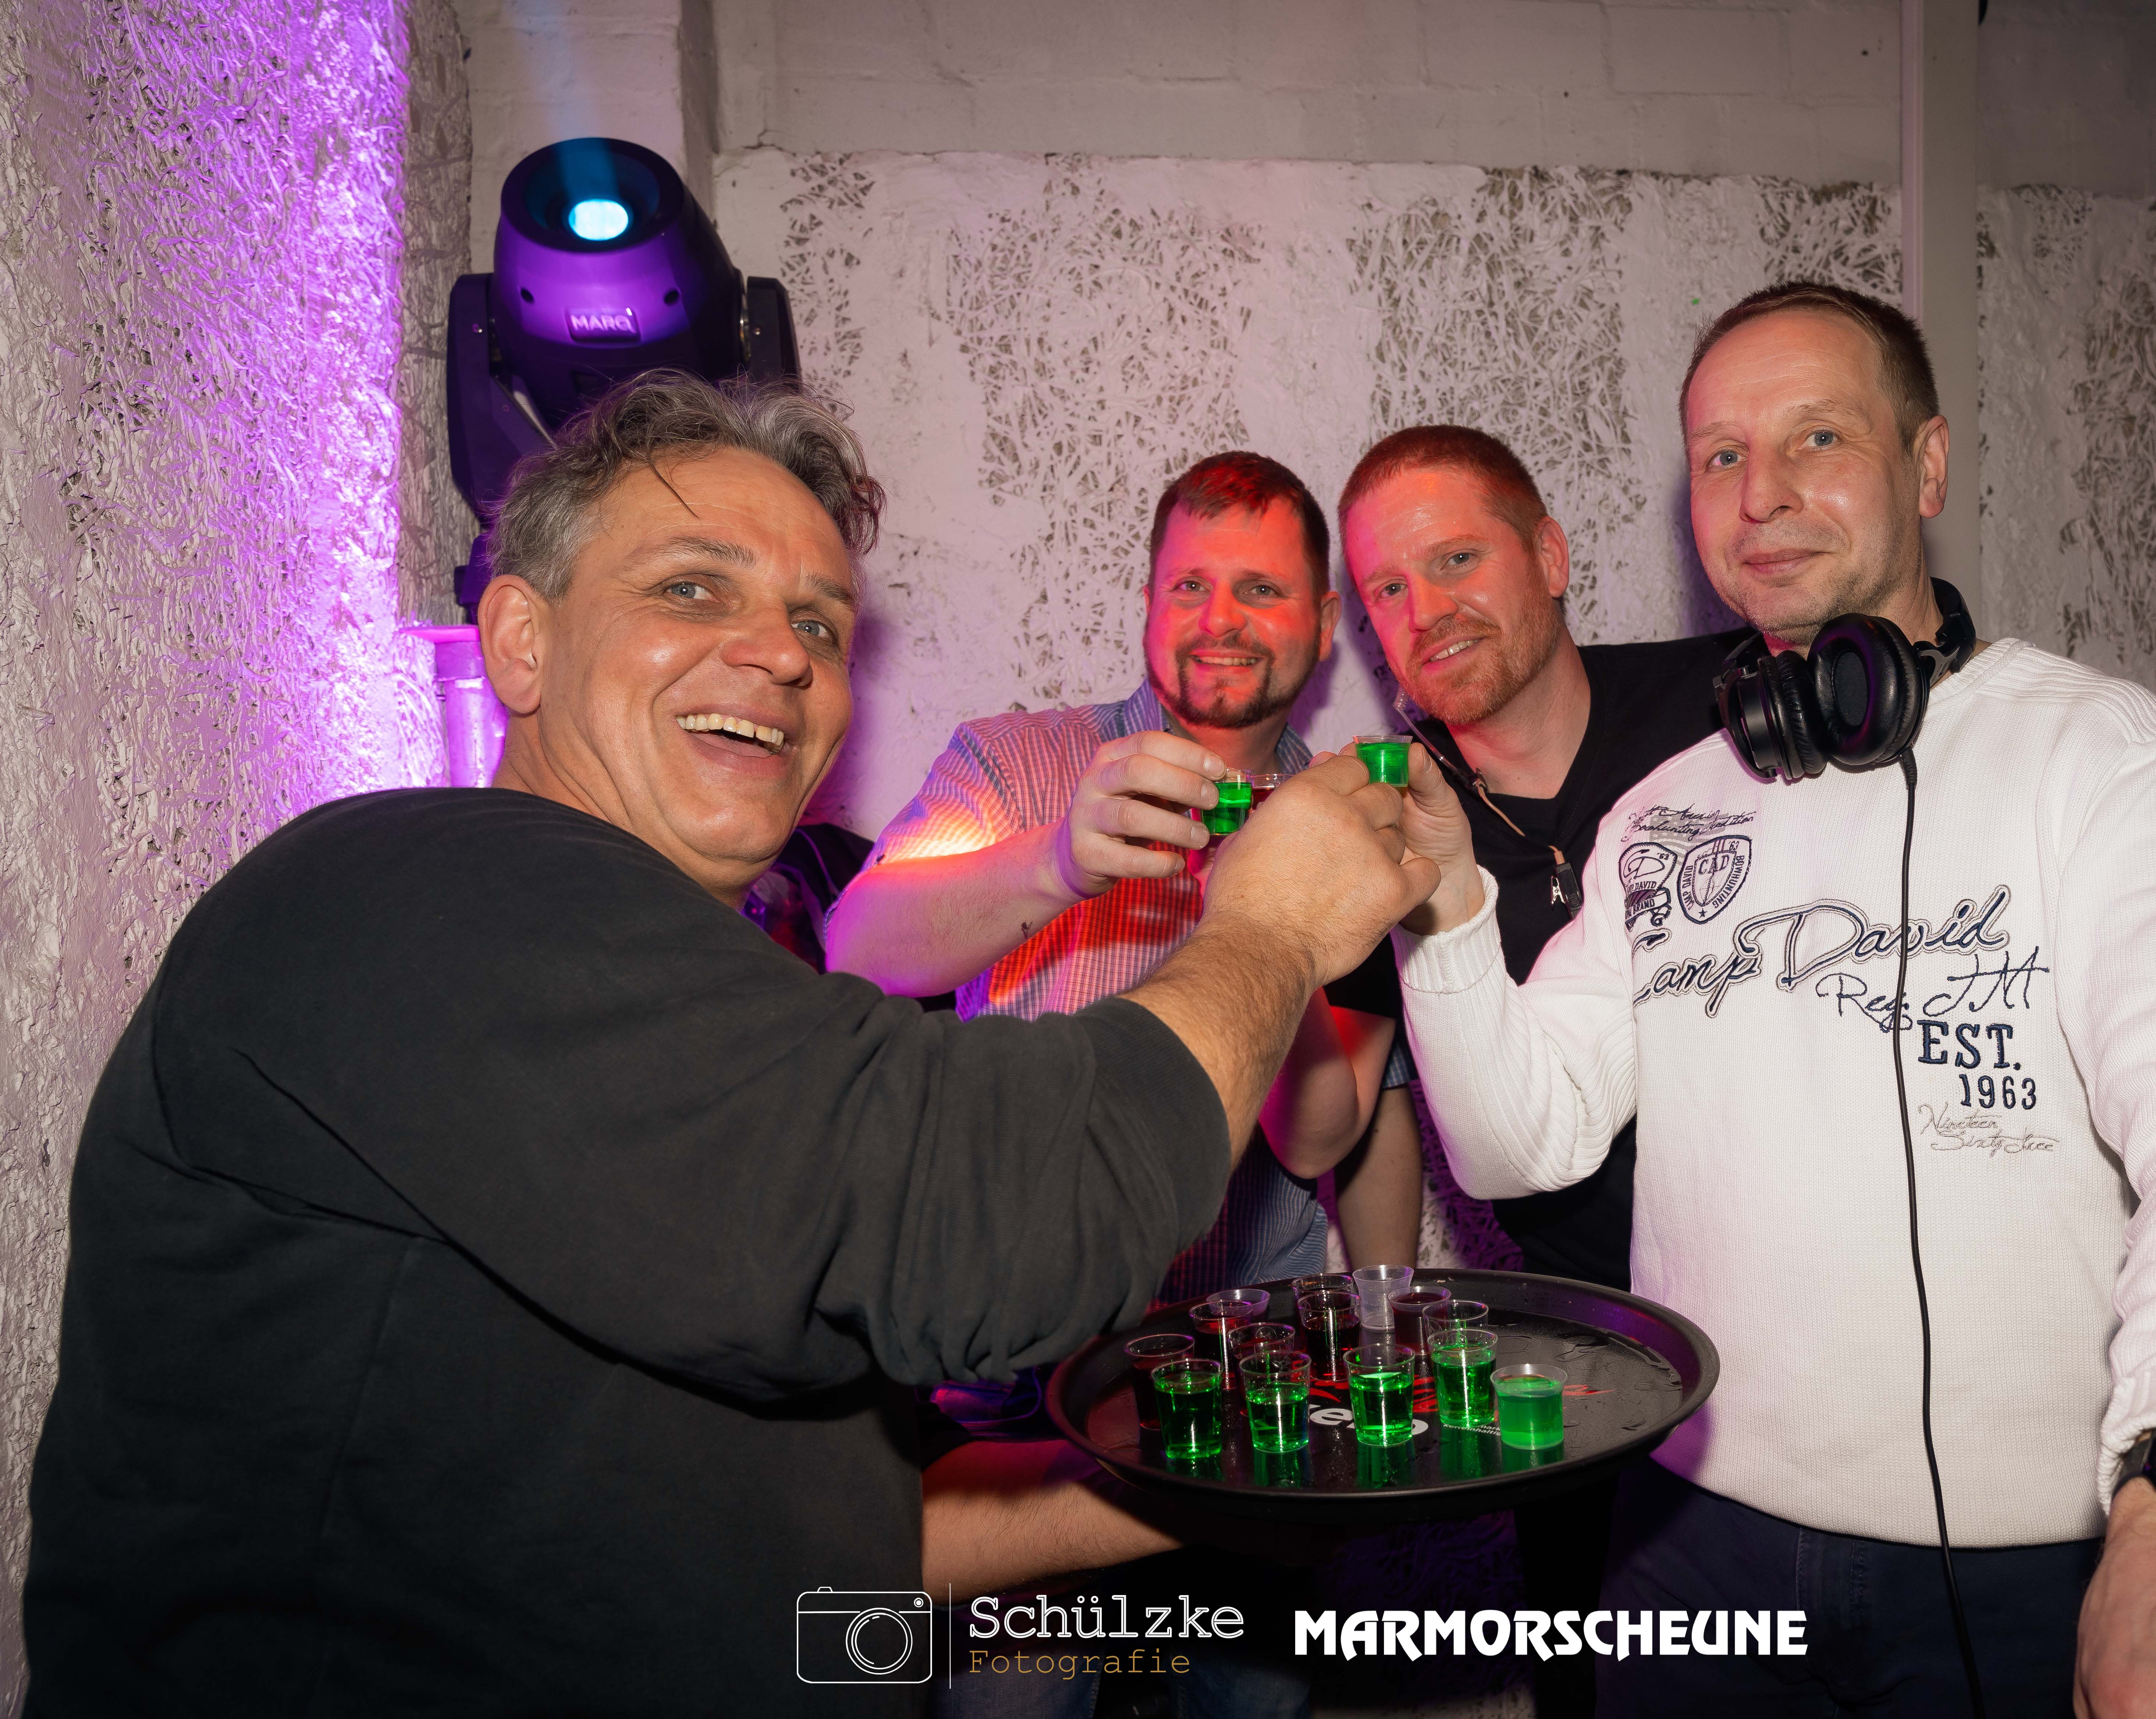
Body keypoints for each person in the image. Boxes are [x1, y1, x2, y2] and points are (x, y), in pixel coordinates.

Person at [24, 374, 1433, 1716]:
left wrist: (1258, 1474)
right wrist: (1264, 929)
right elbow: (1002, 1219)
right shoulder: (415, 891)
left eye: (819, 622)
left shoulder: (687, 973)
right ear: (520, 640)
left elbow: (800, 1518)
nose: (777, 651)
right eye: (691, 588)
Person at [1390, 282, 2156, 1715]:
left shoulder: (2100, 761)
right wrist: (1443, 902)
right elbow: (1515, 1140)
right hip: (1686, 1539)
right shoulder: (1660, 813)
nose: (1761, 494)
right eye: (1721, 455)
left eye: (1817, 437)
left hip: (2033, 1568)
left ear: (1925, 465)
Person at [1336, 423, 1735, 1717]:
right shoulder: (1390, 820)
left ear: (1551, 557)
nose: (1424, 611)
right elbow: (1324, 1131)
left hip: (1792, 1325)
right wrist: (1267, 942)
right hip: (1582, 1363)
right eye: (1386, 588)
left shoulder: (1726, 709)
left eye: (1457, 560)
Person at [830, 449, 1423, 1306]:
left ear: (1326, 623)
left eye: (1261, 589)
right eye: (1190, 586)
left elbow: (1318, 1140)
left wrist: (1267, 910)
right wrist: (1058, 860)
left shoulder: (1347, 817)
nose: (1221, 619)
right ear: (1148, 606)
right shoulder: (1014, 761)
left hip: (1250, 1338)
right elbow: (857, 946)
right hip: (1018, 1318)